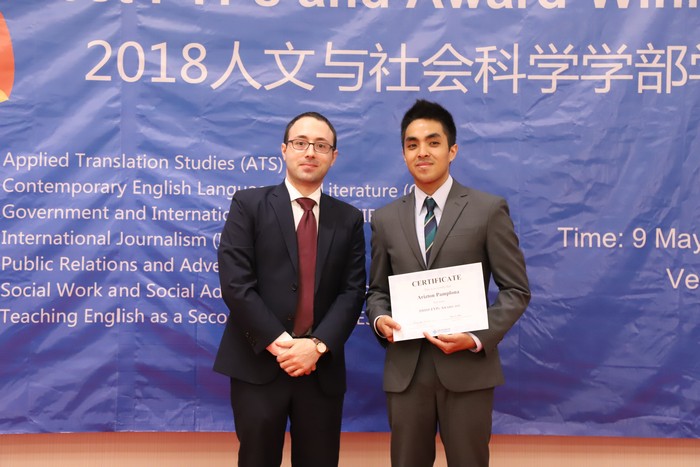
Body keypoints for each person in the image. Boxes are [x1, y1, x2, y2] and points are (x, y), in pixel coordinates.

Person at [366, 99, 530, 467]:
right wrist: (380, 319)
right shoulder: (385, 218)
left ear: (452, 150)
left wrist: (474, 337)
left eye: (433, 142)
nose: (422, 152)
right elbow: (377, 290)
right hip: (407, 373)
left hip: (467, 369)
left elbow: (516, 290)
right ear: (404, 154)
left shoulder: (487, 209)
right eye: (412, 144)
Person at [214, 111, 366, 467]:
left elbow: (352, 291)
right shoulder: (248, 205)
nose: (310, 152)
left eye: (321, 145)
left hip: (319, 369)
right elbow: (236, 283)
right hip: (259, 364)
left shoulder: (348, 218)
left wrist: (316, 346)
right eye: (300, 143)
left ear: (334, 156)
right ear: (284, 150)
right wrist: (282, 345)